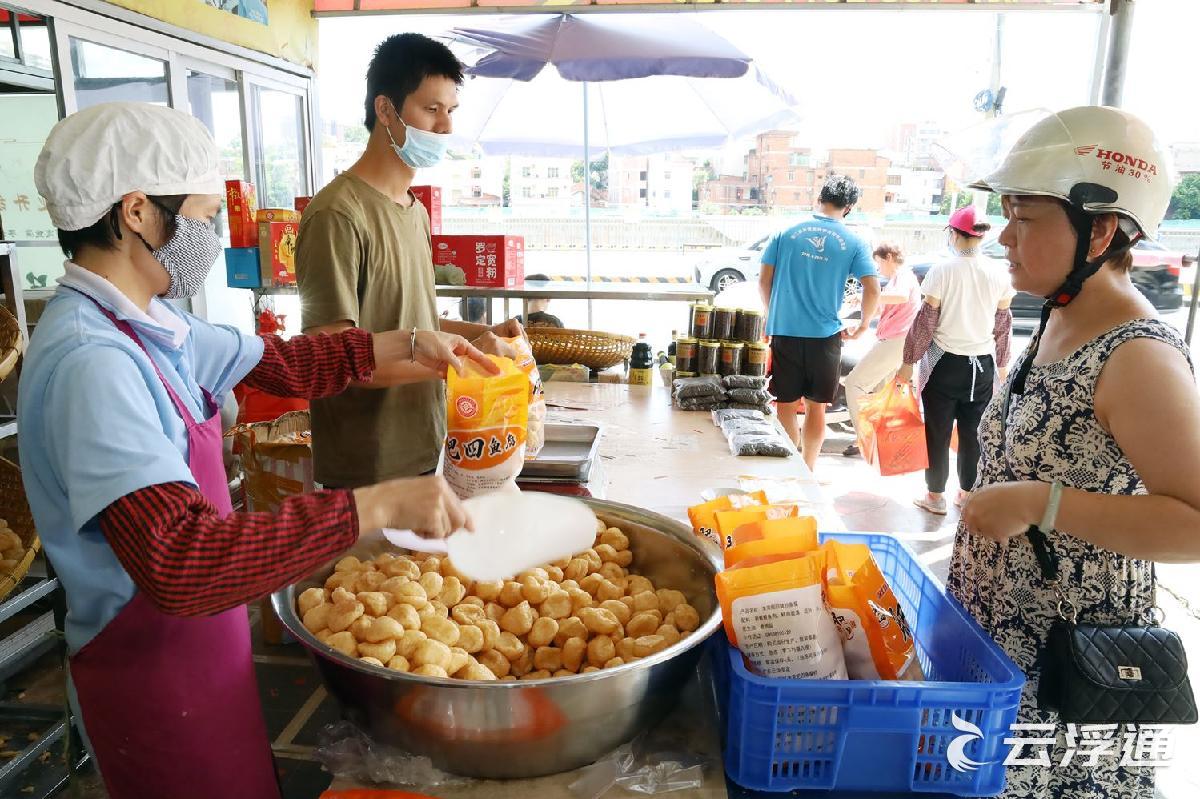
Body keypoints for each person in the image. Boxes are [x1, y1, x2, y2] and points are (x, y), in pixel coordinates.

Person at [19, 102, 491, 799]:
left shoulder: (152, 320)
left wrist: (419, 344)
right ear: (140, 212)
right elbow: (182, 561)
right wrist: (378, 502)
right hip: (149, 674)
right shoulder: (95, 363)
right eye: (205, 217)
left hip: (208, 650)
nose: (210, 237)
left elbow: (284, 364)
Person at [952, 106, 1200, 798]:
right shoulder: (1059, 317)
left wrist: (1041, 503)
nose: (1003, 235)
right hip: (1001, 654)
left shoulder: (1139, 357)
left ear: (1100, 227)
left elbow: (1195, 520)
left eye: (1025, 218)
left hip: (1069, 680)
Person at [297, 33, 522, 490]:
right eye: (430, 109)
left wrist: (479, 337)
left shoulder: (413, 210)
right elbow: (330, 356)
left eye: (451, 111)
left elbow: (414, 322)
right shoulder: (336, 214)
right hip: (368, 467)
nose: (445, 128)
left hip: (430, 446)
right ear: (385, 110)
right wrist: (454, 362)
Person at [759, 175, 881, 472]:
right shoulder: (854, 242)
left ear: (819, 198)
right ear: (849, 206)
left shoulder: (785, 232)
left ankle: (790, 469)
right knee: (817, 407)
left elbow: (764, 281)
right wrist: (864, 325)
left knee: (785, 404)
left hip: (785, 331)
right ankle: (809, 469)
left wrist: (774, 313)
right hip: (825, 335)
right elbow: (873, 288)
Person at [899, 205, 1013, 514]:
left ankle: (935, 496)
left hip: (944, 365)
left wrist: (908, 363)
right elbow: (1003, 325)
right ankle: (966, 493)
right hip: (983, 367)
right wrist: (1003, 368)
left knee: (937, 430)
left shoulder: (942, 270)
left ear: (953, 233)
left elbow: (926, 322)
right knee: (973, 432)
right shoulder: (999, 272)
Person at [842, 242, 920, 458]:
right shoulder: (899, 278)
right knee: (880, 393)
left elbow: (900, 297)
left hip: (895, 340)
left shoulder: (903, 277)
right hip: (896, 340)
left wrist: (866, 296)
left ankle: (865, 439)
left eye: (878, 264)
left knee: (854, 383)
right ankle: (878, 441)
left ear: (888, 258)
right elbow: (882, 308)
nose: (878, 269)